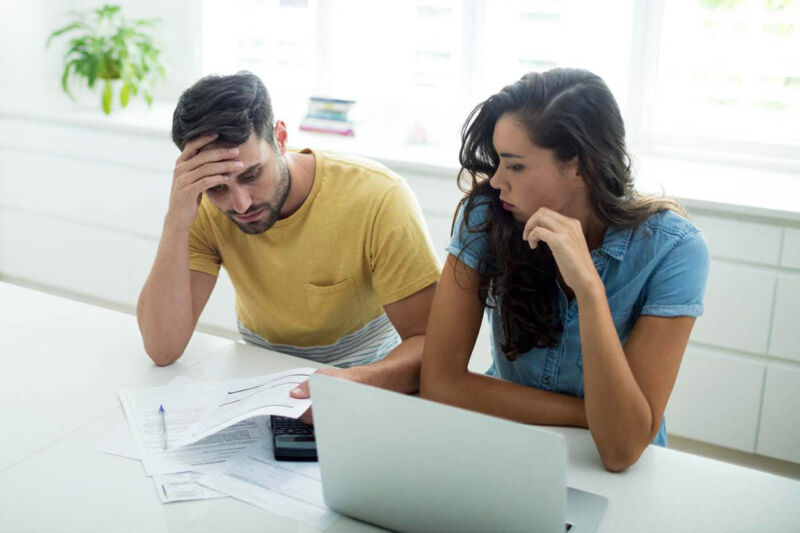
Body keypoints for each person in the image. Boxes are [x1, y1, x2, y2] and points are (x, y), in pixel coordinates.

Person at [420, 68, 710, 472]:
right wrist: (587, 412)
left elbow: (622, 448)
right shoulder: (487, 215)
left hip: (616, 471)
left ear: (581, 167)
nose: (498, 181)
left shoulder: (675, 250)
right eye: (499, 161)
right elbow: (441, 384)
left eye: (516, 166)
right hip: (510, 441)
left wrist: (589, 289)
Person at [137, 72, 441, 418]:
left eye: (251, 175)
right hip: (263, 388)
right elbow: (162, 349)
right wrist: (176, 220)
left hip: (367, 383)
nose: (240, 204)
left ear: (280, 138)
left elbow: (430, 343)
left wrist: (356, 381)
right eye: (218, 187)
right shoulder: (202, 209)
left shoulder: (378, 197)